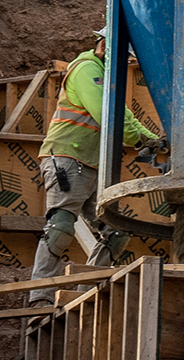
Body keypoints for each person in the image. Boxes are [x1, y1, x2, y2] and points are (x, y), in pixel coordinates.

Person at [29, 30, 164, 306]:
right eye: (124, 57)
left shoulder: (107, 80)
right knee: (60, 226)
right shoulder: (87, 69)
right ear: (104, 46)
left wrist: (152, 141)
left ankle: (82, 294)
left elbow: (125, 116)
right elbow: (107, 116)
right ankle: (40, 296)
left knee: (116, 232)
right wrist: (138, 139)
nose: (125, 64)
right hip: (68, 159)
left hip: (90, 167)